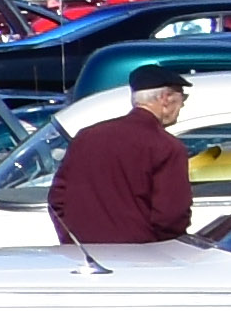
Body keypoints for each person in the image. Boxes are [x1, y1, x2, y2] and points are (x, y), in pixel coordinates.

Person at [51, 66, 203, 247]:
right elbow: (171, 216)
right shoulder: (166, 147)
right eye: (182, 98)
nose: (182, 106)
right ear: (165, 98)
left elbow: (57, 199)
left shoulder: (88, 136)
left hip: (87, 255)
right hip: (140, 257)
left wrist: (73, 241)